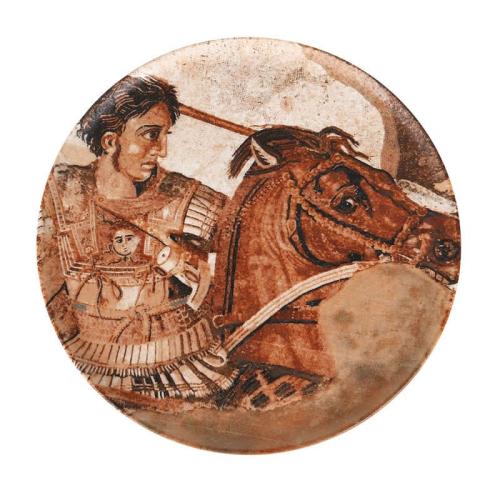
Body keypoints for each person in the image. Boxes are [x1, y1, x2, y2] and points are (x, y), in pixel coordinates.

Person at [38, 75, 237, 403]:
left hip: (185, 361)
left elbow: (250, 238)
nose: (162, 151)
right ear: (110, 141)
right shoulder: (61, 191)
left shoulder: (184, 196)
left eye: (164, 136)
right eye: (150, 135)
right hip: (85, 364)